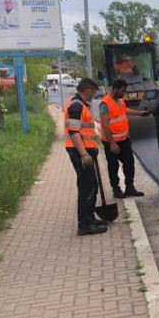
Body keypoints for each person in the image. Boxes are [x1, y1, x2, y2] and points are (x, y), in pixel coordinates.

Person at [64, 77, 107, 236]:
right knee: (86, 188)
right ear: (88, 91)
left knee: (91, 186)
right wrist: (83, 154)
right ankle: (84, 225)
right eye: (93, 93)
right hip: (80, 154)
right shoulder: (76, 106)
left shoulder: (79, 104)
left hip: (85, 152)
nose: (93, 96)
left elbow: (84, 130)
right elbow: (73, 132)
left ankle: (90, 218)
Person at [98, 78, 149, 199]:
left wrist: (139, 113)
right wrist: (112, 144)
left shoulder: (120, 100)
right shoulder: (105, 104)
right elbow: (105, 125)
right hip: (111, 142)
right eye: (122, 91)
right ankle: (116, 189)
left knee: (129, 163)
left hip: (124, 139)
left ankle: (129, 187)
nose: (123, 94)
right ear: (114, 89)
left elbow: (124, 111)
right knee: (113, 166)